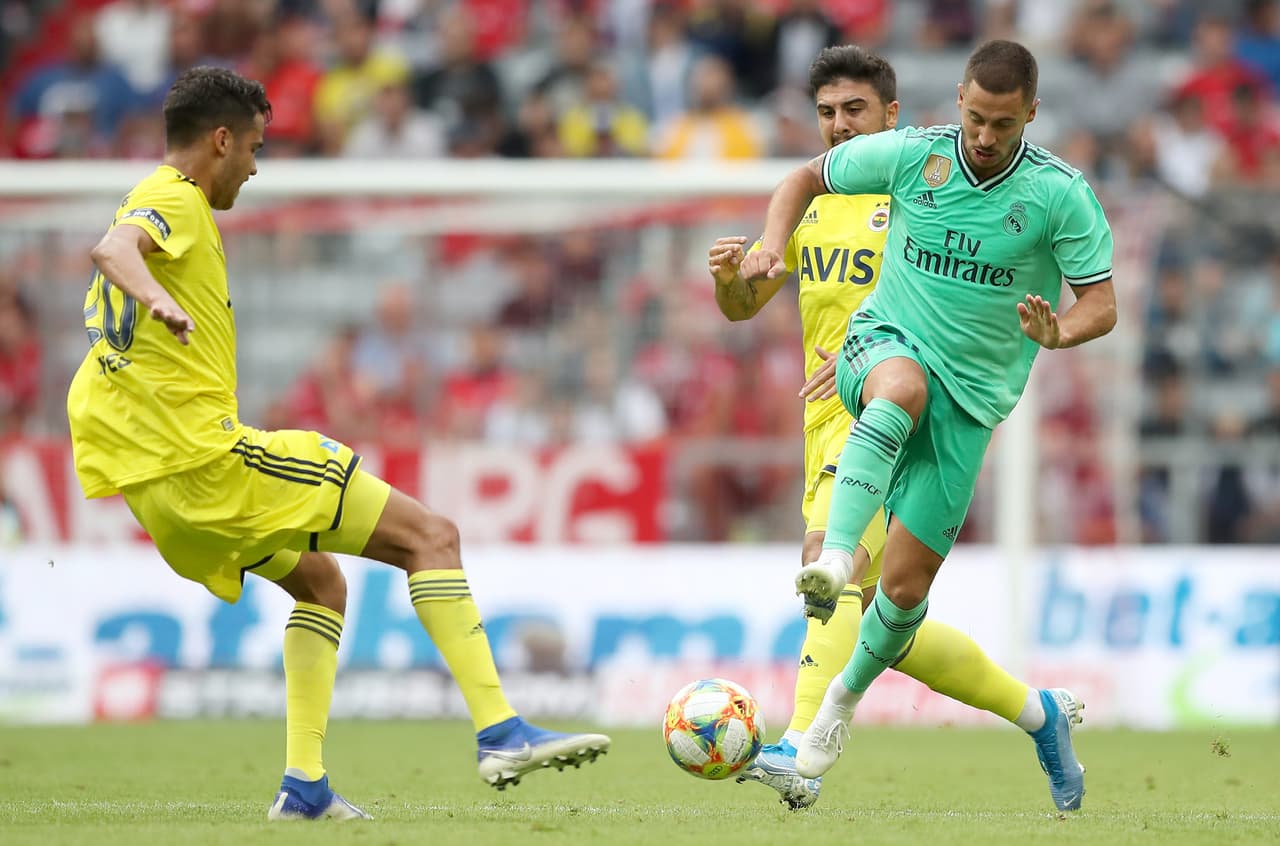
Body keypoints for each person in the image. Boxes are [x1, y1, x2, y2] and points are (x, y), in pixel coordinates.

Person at [64, 67, 610, 822]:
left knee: (322, 585)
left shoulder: (152, 195)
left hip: (156, 492)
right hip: (207, 464)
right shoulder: (173, 199)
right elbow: (113, 251)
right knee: (432, 537)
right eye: (252, 147)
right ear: (220, 140)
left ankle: (305, 788)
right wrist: (156, 298)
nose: (255, 166)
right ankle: (501, 731)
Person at [711, 45, 1093, 813]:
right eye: (825, 113)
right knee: (892, 612)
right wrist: (735, 278)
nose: (839, 126)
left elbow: (943, 296)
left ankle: (800, 749)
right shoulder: (819, 200)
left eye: (854, 110)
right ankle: (1037, 713)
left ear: (891, 115)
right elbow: (749, 304)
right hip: (831, 413)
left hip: (900, 400)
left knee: (832, 569)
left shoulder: (913, 183)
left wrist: (874, 344)